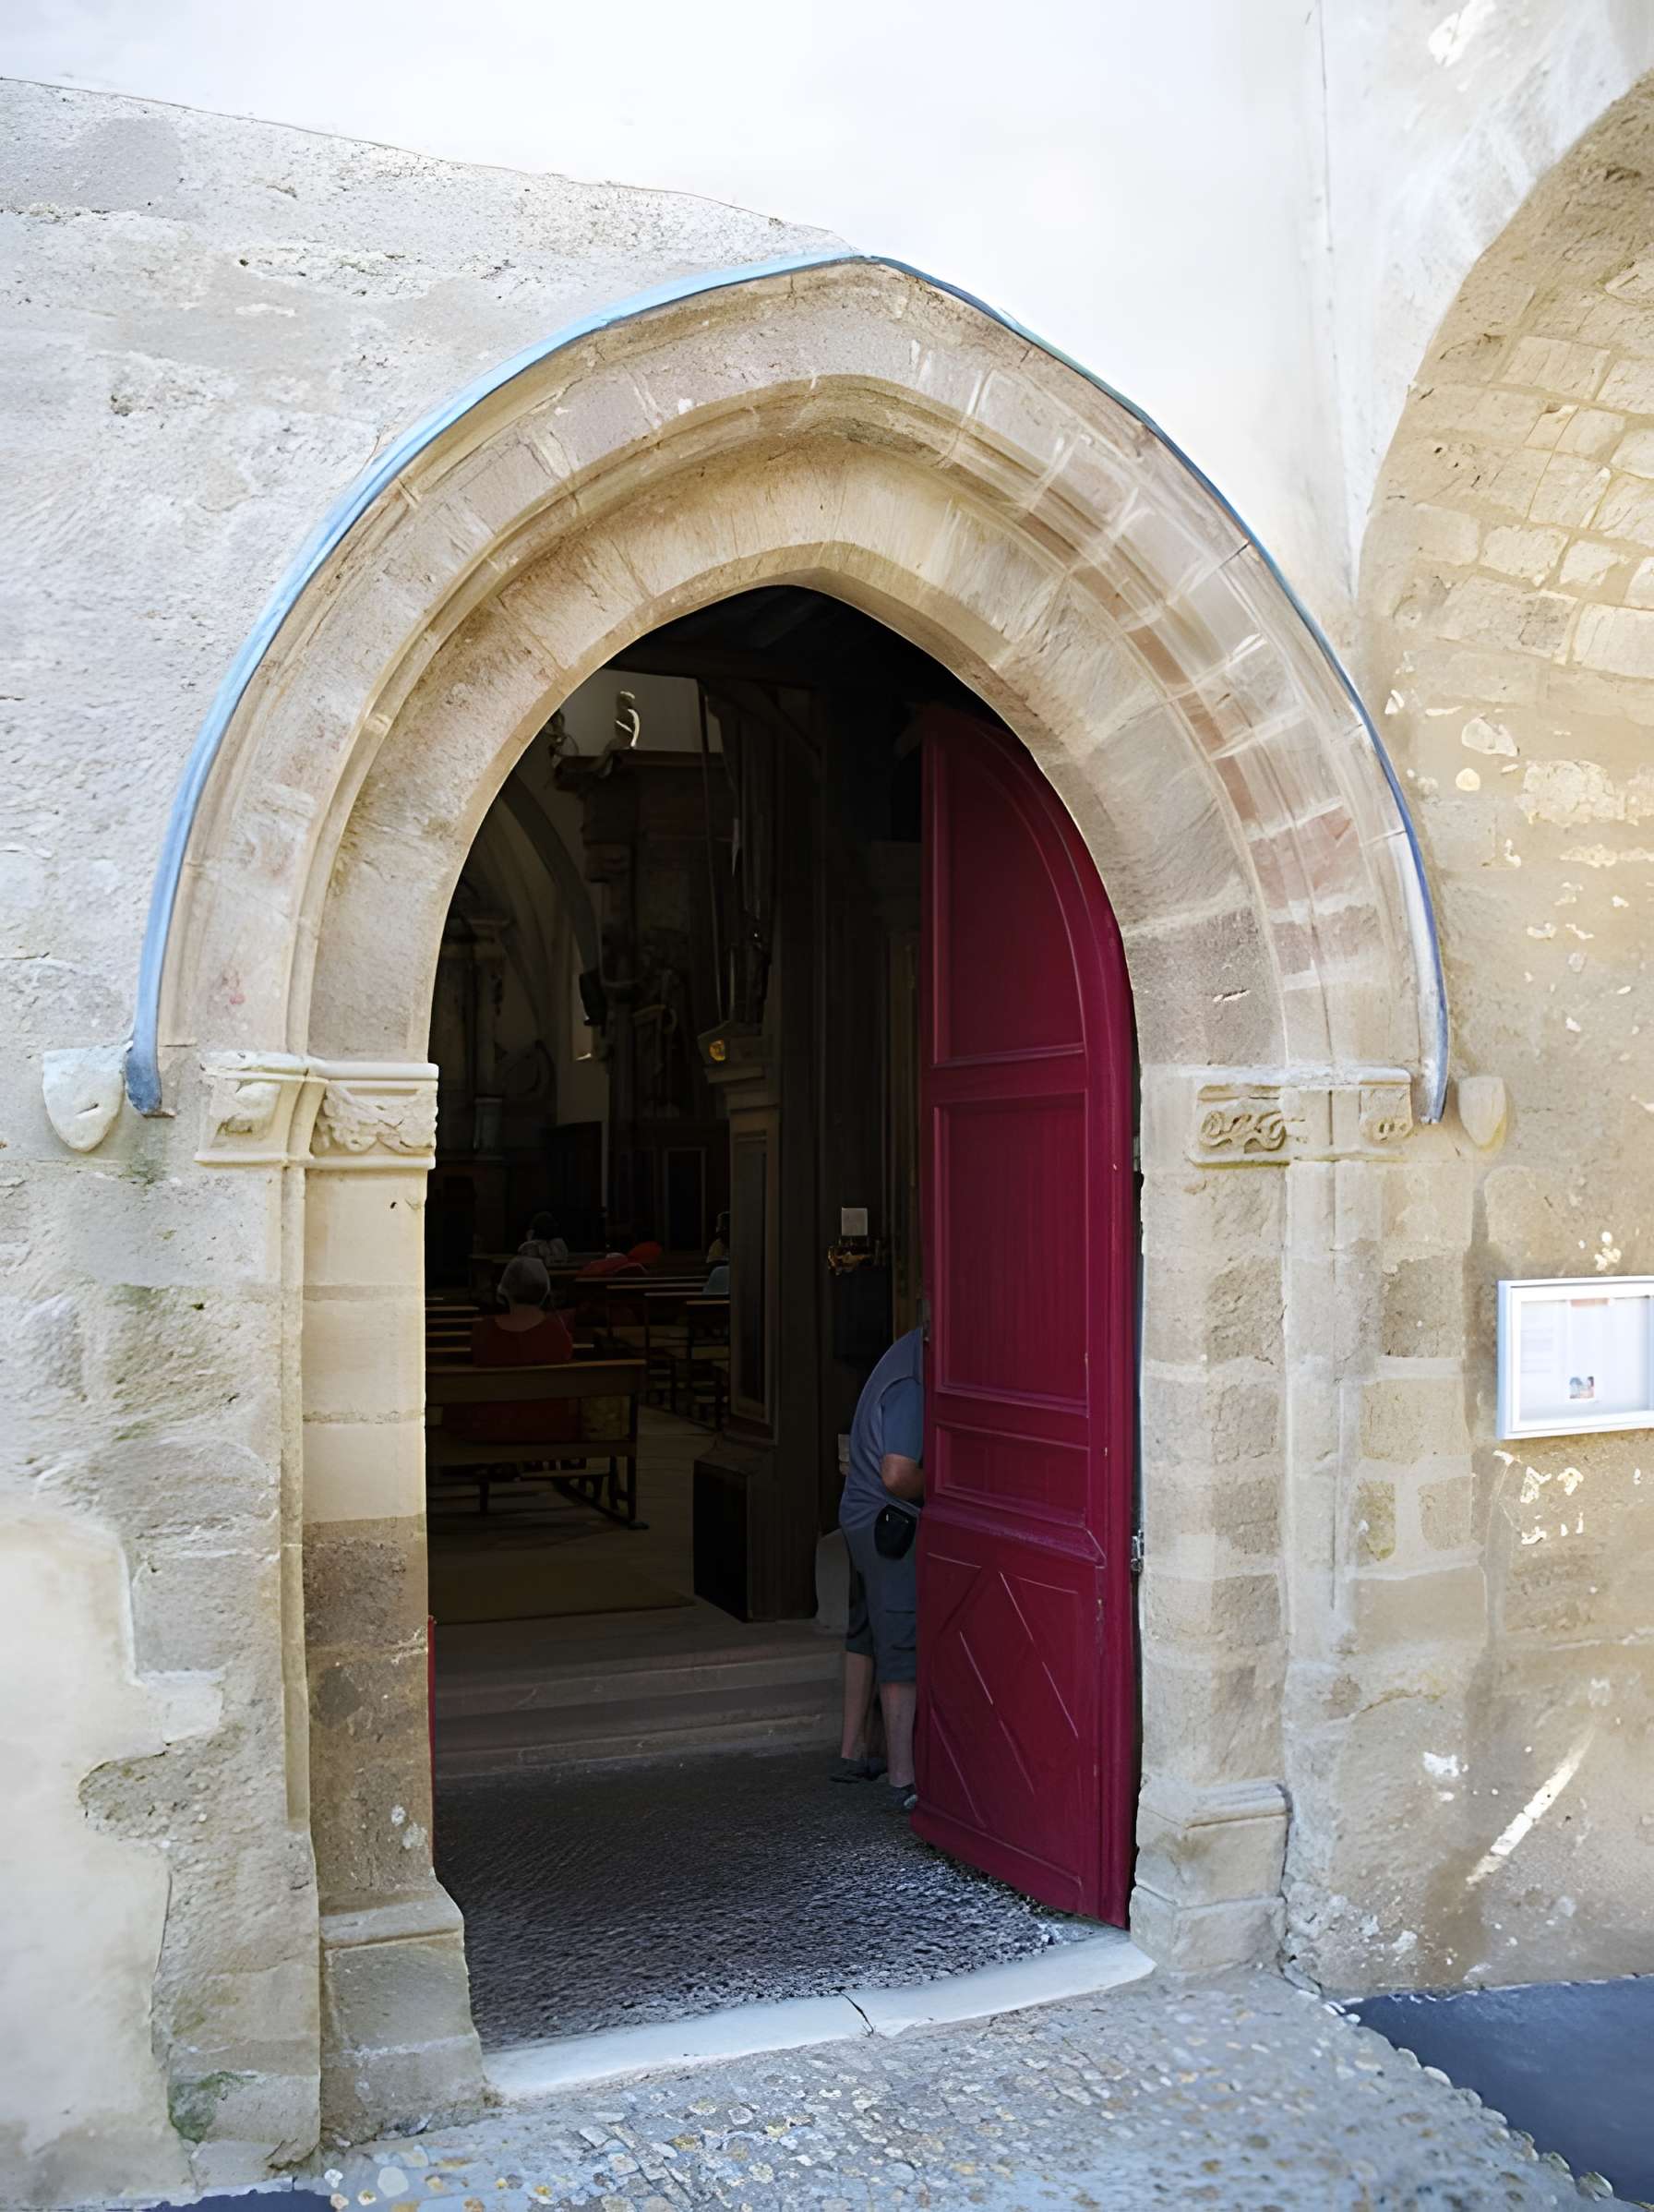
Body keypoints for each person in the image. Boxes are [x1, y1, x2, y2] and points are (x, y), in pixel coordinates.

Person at [835, 1326, 924, 1813]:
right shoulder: (915, 1379)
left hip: (859, 1514)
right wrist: (950, 1479)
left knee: (866, 1630)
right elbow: (899, 1474)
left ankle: (852, 1752)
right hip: (889, 1523)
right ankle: (902, 1776)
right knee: (900, 1637)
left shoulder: (902, 1352)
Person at [447, 1255, 577, 1445]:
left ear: (505, 1290)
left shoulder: (484, 1330)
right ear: (545, 1289)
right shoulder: (557, 1332)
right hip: (548, 1424)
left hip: (491, 1424)